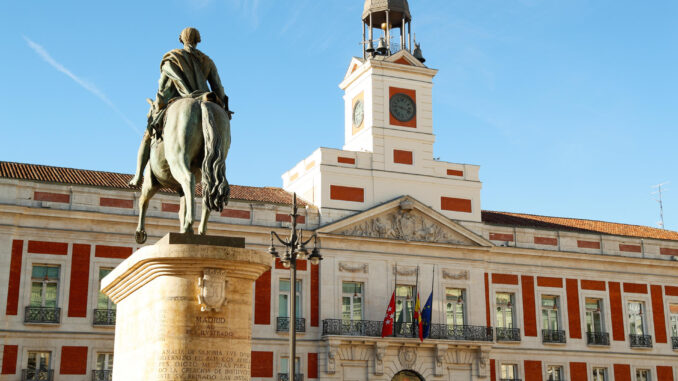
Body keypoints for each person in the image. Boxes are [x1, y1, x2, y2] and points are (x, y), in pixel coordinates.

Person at [129, 27, 231, 187]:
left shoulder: (173, 58)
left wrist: (157, 105)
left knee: (148, 134)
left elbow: (162, 88)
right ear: (198, 40)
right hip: (206, 98)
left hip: (178, 100)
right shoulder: (207, 61)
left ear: (181, 39)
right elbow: (218, 88)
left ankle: (137, 175)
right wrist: (224, 108)